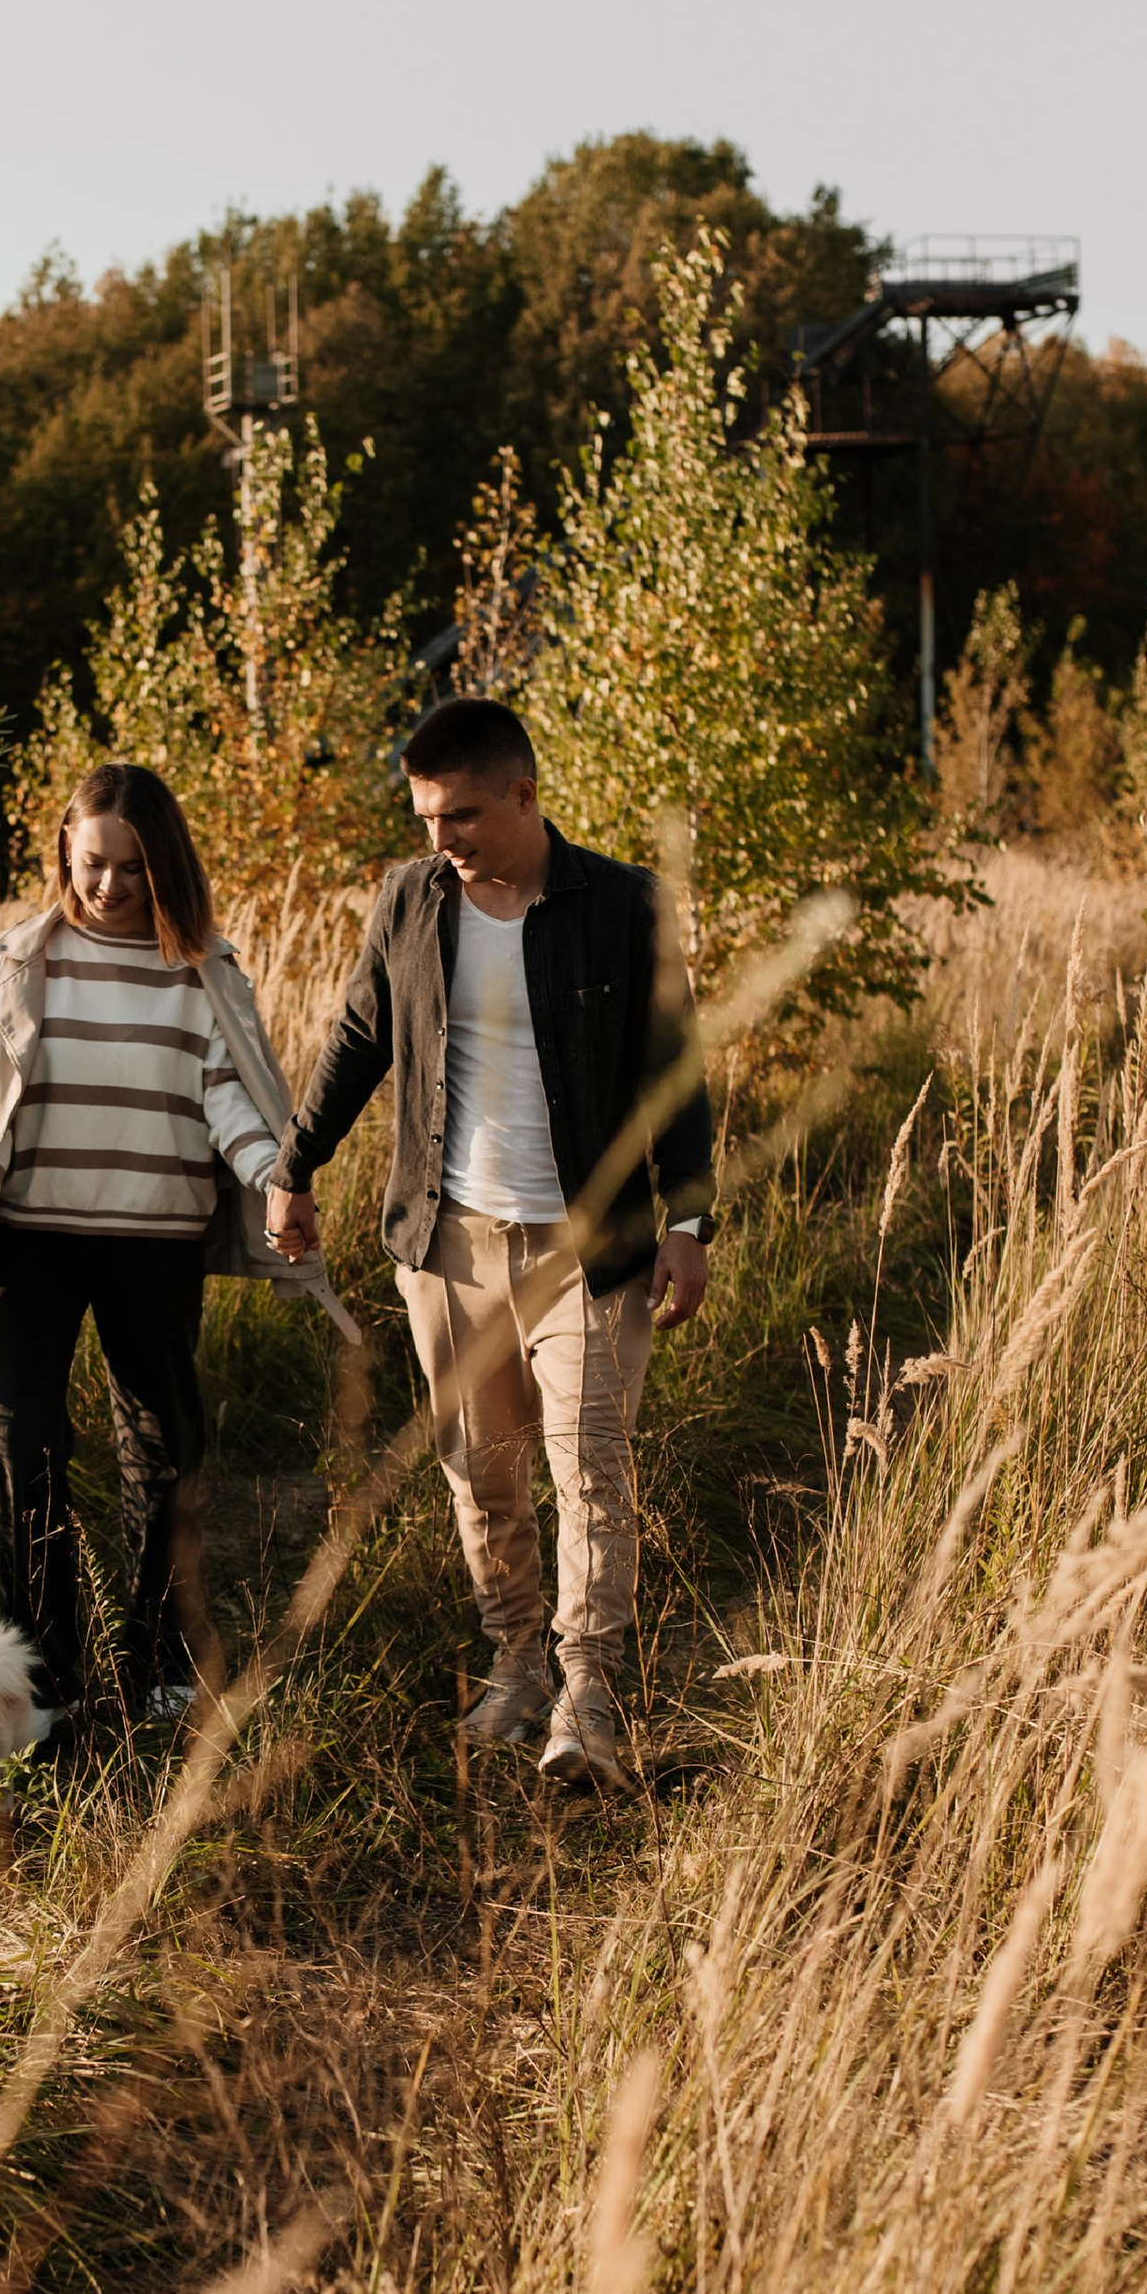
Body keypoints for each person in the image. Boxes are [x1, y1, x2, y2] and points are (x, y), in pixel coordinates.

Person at [265, 696, 714, 1785]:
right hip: (448, 1245)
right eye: (425, 817)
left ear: (522, 795)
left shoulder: (620, 903)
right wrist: (294, 1165)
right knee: (483, 1475)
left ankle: (589, 1691)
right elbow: (360, 1039)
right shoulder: (410, 902)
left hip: (587, 1251)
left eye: (460, 816)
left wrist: (690, 1220)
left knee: (591, 1472)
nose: (441, 839)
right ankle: (516, 1663)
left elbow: (674, 1071)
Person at [0, 760, 349, 1725]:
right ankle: (45, 1678)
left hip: (154, 1240)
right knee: (20, 1434)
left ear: (166, 867)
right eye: (94, 863)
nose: (110, 886)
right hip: (33, 1241)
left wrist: (273, 1175)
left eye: (134, 868)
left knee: (165, 1445)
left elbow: (228, 1095)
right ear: (65, 853)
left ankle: (156, 1659)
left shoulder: (201, 969)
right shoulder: (24, 961)